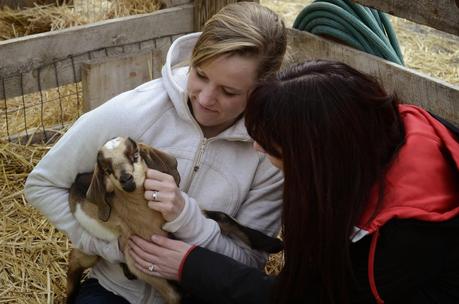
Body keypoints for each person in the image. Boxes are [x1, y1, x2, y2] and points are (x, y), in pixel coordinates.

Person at [127, 60, 459, 304]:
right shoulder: (390, 130)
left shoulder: (400, 235)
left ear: (317, 160)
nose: (257, 147)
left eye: (271, 145)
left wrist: (191, 264)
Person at [24, 2, 287, 303]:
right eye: (200, 75)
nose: (205, 98)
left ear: (262, 90)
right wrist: (117, 247)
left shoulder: (268, 152)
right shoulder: (132, 113)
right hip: (117, 290)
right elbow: (42, 184)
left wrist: (186, 221)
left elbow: (248, 262)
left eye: (229, 92)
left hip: (204, 293)